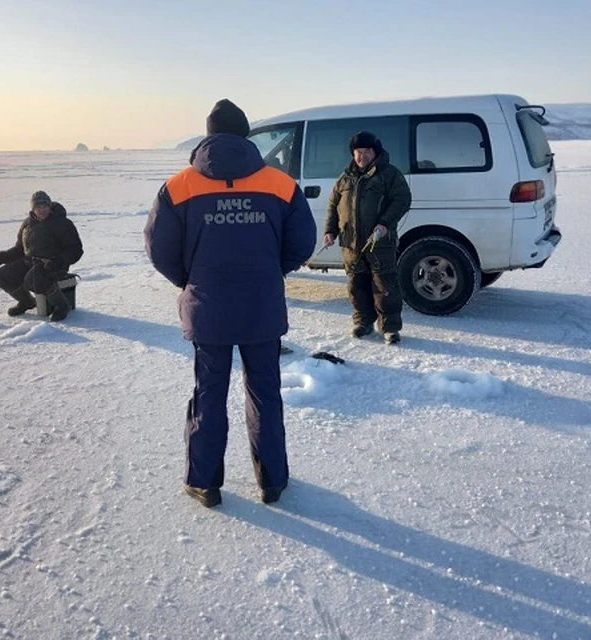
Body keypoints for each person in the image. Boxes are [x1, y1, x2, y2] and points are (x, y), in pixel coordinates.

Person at [144, 99, 316, 508]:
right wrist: (271, 271)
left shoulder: (178, 186)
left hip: (209, 311)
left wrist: (190, 281)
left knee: (209, 393)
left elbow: (158, 248)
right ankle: (272, 481)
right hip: (261, 307)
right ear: (245, 136)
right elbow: (303, 242)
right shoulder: (280, 183)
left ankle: (204, 482)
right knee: (265, 393)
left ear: (208, 136)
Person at [322, 131, 412, 344]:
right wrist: (330, 231)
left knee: (385, 285)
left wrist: (385, 223)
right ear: (353, 154)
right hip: (351, 244)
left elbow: (402, 199)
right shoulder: (345, 178)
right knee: (356, 286)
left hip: (379, 241)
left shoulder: (388, 174)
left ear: (375, 152)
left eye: (366, 152)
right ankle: (363, 322)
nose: (361, 156)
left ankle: (390, 328)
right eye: (358, 152)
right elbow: (333, 207)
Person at [0, 191, 84, 322]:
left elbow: (75, 249)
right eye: (38, 207)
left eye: (45, 206)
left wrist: (59, 261)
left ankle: (62, 305)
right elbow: (19, 249)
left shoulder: (63, 223)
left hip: (53, 265)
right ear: (33, 208)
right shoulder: (27, 224)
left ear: (50, 206)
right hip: (30, 262)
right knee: (0, 275)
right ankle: (27, 302)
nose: (42, 210)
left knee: (33, 279)